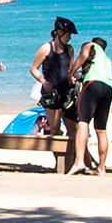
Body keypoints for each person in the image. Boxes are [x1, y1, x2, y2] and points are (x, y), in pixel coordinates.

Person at [31, 18, 79, 169]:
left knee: (74, 129)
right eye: (68, 34)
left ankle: (72, 159)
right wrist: (43, 82)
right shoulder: (46, 48)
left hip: (67, 94)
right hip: (51, 96)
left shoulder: (70, 49)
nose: (70, 37)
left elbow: (70, 70)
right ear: (59, 33)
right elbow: (33, 68)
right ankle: (60, 162)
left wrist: (73, 79)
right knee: (55, 129)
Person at [73, 34, 112, 174]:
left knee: (83, 122)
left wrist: (71, 72)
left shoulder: (90, 45)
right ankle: (101, 168)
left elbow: (84, 54)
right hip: (108, 88)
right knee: (101, 129)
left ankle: (79, 162)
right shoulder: (107, 59)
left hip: (92, 84)